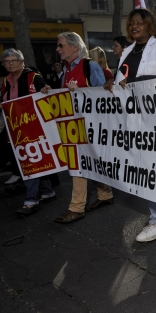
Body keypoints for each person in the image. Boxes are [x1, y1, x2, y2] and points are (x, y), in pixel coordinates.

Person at [106, 8, 156, 242]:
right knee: (148, 168)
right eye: (131, 23)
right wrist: (113, 84)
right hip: (137, 120)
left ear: (150, 25)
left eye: (140, 22)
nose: (134, 26)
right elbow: (123, 84)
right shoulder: (127, 52)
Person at [45, 32, 112, 224]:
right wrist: (49, 93)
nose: (58, 49)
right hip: (73, 126)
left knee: (81, 164)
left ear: (75, 47)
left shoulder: (89, 66)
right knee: (84, 163)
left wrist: (82, 92)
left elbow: (103, 97)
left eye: (61, 45)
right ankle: (105, 194)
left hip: (91, 125)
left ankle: (76, 208)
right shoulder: (66, 69)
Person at [0, 48, 56, 214]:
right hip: (16, 130)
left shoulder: (33, 77)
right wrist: (0, 105)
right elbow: (6, 102)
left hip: (35, 128)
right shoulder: (6, 81)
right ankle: (48, 191)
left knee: (30, 164)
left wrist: (45, 91)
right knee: (33, 162)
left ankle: (31, 201)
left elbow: (48, 96)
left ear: (22, 62)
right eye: (7, 62)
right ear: (3, 64)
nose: (10, 64)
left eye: (13, 60)